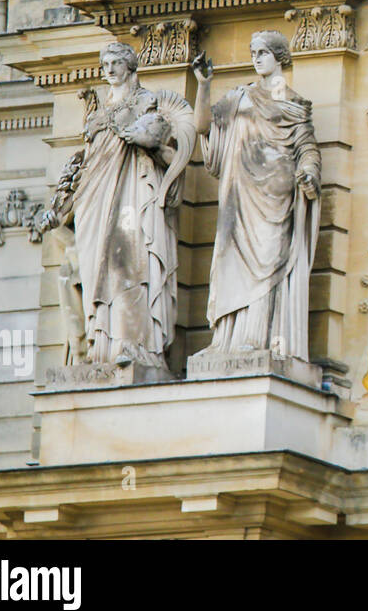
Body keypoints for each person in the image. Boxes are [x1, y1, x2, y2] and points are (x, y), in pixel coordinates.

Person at [51, 42, 191, 367]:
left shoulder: (145, 103)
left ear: (130, 66)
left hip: (133, 192)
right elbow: (87, 163)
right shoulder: (97, 115)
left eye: (116, 62)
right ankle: (102, 347)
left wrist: (144, 139)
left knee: (128, 264)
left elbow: (165, 150)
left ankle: (133, 343)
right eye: (106, 64)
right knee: (99, 269)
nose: (110, 69)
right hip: (95, 202)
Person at [191, 31, 321, 359]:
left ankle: (258, 338)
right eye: (253, 52)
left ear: (280, 56)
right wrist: (203, 86)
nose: (256, 58)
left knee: (269, 262)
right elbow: (203, 126)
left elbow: (307, 148)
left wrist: (309, 172)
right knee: (231, 263)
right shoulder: (238, 97)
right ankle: (227, 342)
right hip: (239, 193)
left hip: (276, 193)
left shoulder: (294, 102)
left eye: (263, 52)